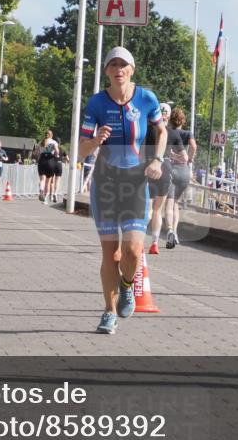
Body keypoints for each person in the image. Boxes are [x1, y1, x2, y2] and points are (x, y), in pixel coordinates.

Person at [79, 47, 166, 335]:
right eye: (113, 65)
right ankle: (108, 311)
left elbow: (162, 131)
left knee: (132, 250)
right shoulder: (96, 104)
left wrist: (156, 159)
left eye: (123, 65)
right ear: (106, 71)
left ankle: (127, 286)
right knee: (111, 253)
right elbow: (79, 151)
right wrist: (95, 141)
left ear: (132, 69)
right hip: (105, 181)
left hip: (134, 182)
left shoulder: (146, 98)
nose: (118, 69)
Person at [164, 107, 197, 249]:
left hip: (171, 168)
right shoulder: (188, 133)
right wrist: (189, 158)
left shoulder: (168, 132)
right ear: (183, 120)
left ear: (171, 119)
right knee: (176, 203)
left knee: (169, 203)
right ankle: (175, 232)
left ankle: (170, 229)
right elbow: (194, 146)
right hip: (184, 171)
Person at [145, 103, 173, 254]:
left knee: (146, 207)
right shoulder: (171, 132)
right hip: (166, 168)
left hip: (149, 165)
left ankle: (139, 237)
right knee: (158, 209)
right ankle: (154, 243)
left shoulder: (148, 130)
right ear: (168, 115)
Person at [38, 130, 60, 202]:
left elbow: (35, 152)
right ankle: (45, 196)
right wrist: (56, 154)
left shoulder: (41, 142)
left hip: (42, 160)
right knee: (48, 181)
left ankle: (41, 190)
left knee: (42, 179)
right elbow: (57, 152)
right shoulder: (54, 142)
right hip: (50, 161)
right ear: (51, 135)